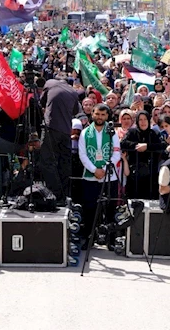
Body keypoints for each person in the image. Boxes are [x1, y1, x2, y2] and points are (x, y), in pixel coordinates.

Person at [77, 103, 120, 243]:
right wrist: (95, 170)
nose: (100, 117)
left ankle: (110, 239)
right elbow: (82, 155)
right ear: (92, 114)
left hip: (109, 176)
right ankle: (90, 237)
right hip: (90, 176)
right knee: (90, 208)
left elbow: (116, 152)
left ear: (107, 116)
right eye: (97, 114)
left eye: (103, 115)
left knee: (110, 208)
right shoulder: (85, 133)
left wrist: (106, 168)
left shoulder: (112, 132)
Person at [40, 77, 80, 204]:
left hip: (51, 128)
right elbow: (75, 111)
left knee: (47, 161)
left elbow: (42, 102)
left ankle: (54, 193)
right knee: (64, 163)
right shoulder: (73, 92)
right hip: (66, 131)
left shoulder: (50, 83)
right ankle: (64, 194)